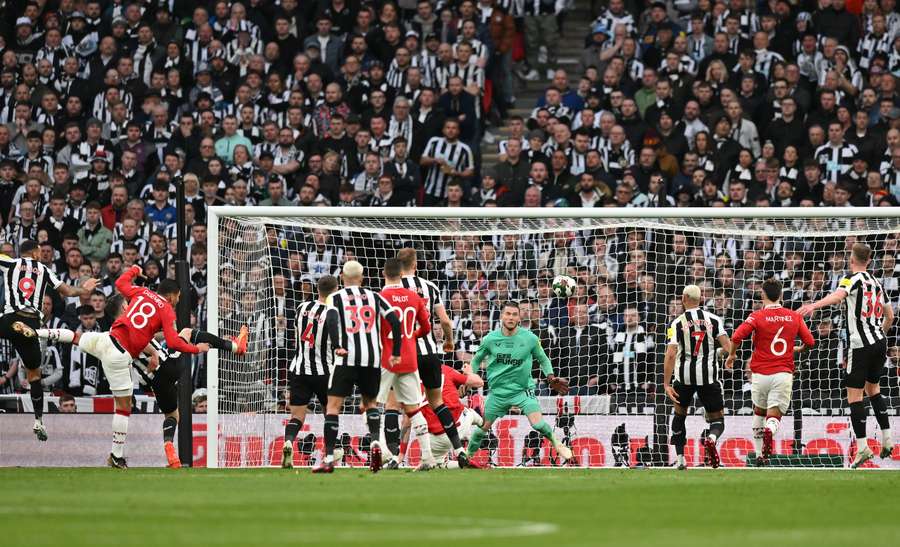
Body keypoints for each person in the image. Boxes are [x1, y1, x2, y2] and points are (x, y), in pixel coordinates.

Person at [32, 265, 208, 469]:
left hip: (107, 339)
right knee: (123, 408)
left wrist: (134, 269)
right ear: (173, 295)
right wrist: (196, 348)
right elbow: (174, 342)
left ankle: (37, 332)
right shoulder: (166, 309)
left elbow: (120, 284)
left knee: (75, 337)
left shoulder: (142, 293)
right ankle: (115, 456)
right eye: (177, 297)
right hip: (120, 356)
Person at [112, 293, 248, 468]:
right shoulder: (128, 326)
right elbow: (139, 341)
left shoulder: (113, 335)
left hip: (154, 381)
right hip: (166, 366)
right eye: (127, 304)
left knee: (172, 415)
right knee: (187, 332)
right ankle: (235, 346)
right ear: (124, 307)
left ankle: (169, 448)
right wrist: (188, 348)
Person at [799, 243, 895, 467]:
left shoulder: (851, 278)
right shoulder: (877, 282)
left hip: (860, 345)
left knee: (855, 396)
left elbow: (838, 296)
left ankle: (862, 448)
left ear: (852, 260)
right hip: (880, 342)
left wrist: (814, 305)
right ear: (869, 260)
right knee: (874, 390)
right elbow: (890, 316)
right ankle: (887, 438)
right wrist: (878, 333)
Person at [0, 240, 98, 441]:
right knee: (34, 375)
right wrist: (84, 289)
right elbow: (69, 291)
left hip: (10, 318)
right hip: (32, 322)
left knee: (7, 323)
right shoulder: (44, 270)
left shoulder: (10, 263)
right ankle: (38, 421)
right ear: (35, 252)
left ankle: (15, 327)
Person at [312, 261, 401, 474]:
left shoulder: (335, 297)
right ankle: (375, 444)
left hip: (346, 359)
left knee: (333, 406)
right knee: (370, 404)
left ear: (342, 277)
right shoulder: (375, 296)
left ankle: (330, 457)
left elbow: (332, 321)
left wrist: (337, 346)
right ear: (362, 277)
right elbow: (395, 322)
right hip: (371, 359)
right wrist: (396, 352)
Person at [464, 302, 573, 465]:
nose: (511, 317)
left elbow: (543, 359)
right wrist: (468, 377)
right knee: (482, 429)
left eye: (514, 314)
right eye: (508, 314)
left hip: (523, 390)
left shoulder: (530, 338)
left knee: (538, 424)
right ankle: (465, 458)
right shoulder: (490, 339)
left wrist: (550, 377)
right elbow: (476, 360)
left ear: (519, 317)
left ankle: (557, 443)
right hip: (498, 393)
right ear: (502, 316)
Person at [727, 278, 815, 466]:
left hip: (759, 375)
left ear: (762, 295)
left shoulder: (756, 316)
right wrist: (797, 349)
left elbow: (736, 336)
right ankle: (770, 430)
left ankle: (760, 455)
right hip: (783, 373)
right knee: (773, 417)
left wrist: (732, 355)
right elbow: (810, 342)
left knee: (759, 412)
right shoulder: (794, 316)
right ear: (781, 295)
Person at [395, 247, 469, 467]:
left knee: (405, 407)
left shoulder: (393, 288)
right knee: (437, 402)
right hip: (429, 353)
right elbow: (445, 321)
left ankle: (399, 457)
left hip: (406, 355)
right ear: (416, 265)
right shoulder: (431, 287)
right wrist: (449, 341)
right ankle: (459, 449)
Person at [374, 258, 435, 471]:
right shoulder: (414, 297)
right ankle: (427, 457)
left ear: (383, 274)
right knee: (414, 409)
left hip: (387, 358)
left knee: (372, 404)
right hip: (409, 357)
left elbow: (374, 331)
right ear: (402, 275)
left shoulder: (379, 298)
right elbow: (427, 328)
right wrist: (410, 337)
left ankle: (382, 449)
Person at [663, 285, 732, 470]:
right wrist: (721, 355)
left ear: (683, 298)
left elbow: (671, 353)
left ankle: (680, 459)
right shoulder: (714, 319)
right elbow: (729, 348)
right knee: (717, 420)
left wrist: (666, 383)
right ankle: (711, 438)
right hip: (708, 377)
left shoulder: (676, 323)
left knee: (679, 415)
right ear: (700, 299)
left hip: (683, 378)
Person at [281, 275, 342, 469]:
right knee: (330, 412)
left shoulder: (301, 308)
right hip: (324, 371)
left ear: (317, 290)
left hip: (299, 369)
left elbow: (296, 334)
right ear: (336, 290)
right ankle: (330, 453)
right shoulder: (334, 313)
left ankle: (289, 441)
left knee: (297, 417)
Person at [421, 363, 484, 468]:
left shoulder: (412, 377)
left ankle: (460, 464)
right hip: (456, 428)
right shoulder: (446, 370)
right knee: (468, 412)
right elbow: (479, 382)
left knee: (437, 464)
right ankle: (481, 420)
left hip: (431, 437)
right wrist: (469, 373)